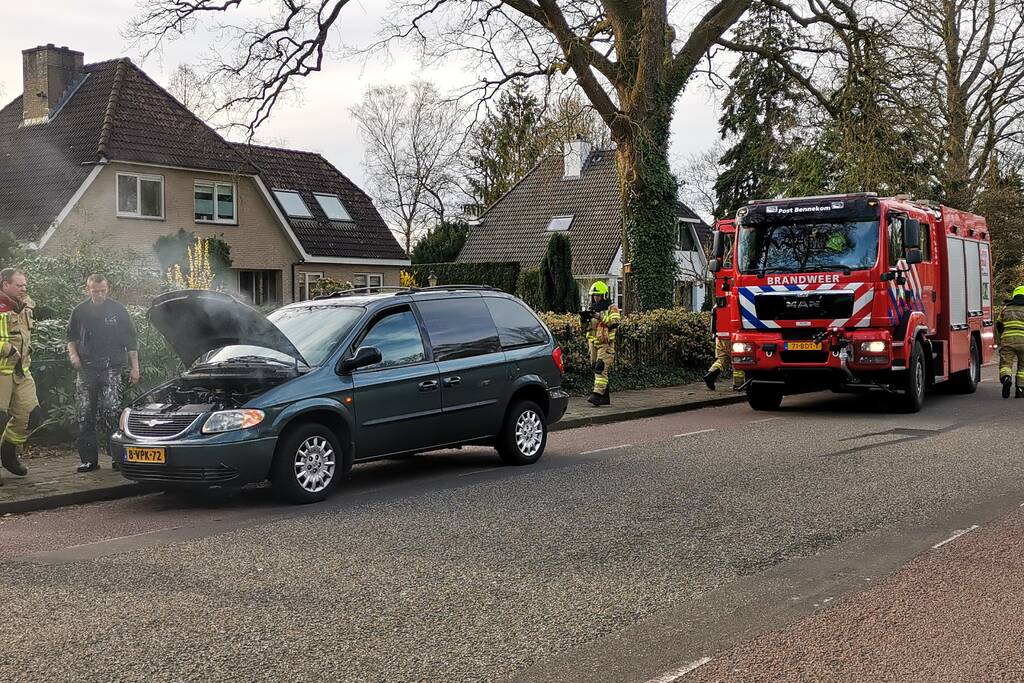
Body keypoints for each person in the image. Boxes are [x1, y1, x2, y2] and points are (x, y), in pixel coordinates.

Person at [67, 274, 140, 472]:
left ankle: (117, 457)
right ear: (87, 289)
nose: (99, 294)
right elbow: (71, 338)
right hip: (86, 369)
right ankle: (89, 460)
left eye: (103, 291)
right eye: (95, 291)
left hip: (112, 367)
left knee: (110, 411)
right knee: (85, 414)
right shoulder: (79, 311)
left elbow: (130, 341)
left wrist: (135, 367)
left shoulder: (118, 309)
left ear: (107, 289)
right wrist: (73, 356)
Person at [0, 268, 43, 486]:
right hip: (1, 372)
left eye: (25, 285)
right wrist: (6, 348)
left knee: (32, 415)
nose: (24, 288)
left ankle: (8, 455)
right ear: (5, 285)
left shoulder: (26, 306)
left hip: (22, 371)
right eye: (19, 285)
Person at [583, 280, 620, 407]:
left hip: (606, 344)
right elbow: (586, 328)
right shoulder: (592, 308)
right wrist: (583, 320)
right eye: (594, 295)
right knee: (596, 368)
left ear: (604, 295)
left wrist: (600, 317)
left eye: (598, 295)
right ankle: (605, 398)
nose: (595, 298)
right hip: (593, 344)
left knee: (601, 368)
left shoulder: (612, 308)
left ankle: (597, 395)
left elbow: (614, 322)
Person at [996, 284, 1024, 399]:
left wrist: (1003, 334)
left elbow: (999, 324)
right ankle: (1020, 390)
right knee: (1023, 367)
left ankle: (1006, 377)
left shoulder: (1005, 308)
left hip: (1007, 341)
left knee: (1006, 364)